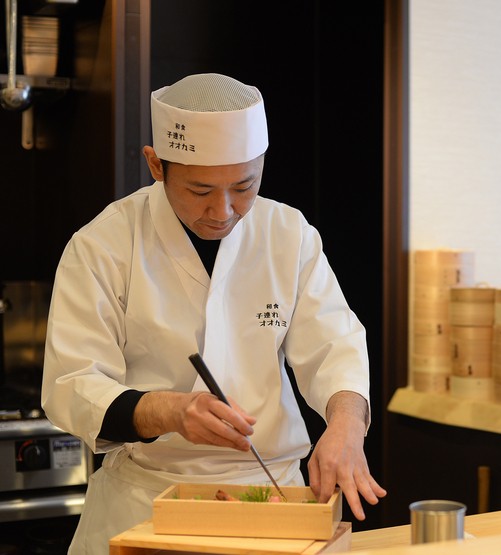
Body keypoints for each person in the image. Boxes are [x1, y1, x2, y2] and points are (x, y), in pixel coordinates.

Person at [41, 73, 386, 554]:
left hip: (273, 496)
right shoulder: (104, 244)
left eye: (244, 186)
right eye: (200, 190)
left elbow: (336, 345)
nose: (223, 211)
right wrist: (169, 411)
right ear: (156, 165)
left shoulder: (288, 234)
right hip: (145, 500)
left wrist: (346, 426)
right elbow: (71, 383)